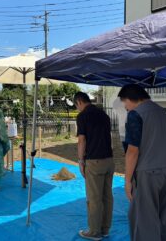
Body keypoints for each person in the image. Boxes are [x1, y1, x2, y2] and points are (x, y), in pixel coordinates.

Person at [118, 84, 166, 241]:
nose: (125, 107)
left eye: (124, 102)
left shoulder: (136, 114)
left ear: (131, 98)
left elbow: (132, 151)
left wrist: (127, 180)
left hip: (147, 174)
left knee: (144, 221)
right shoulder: (163, 113)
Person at [74, 92, 115, 241]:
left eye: (76, 105)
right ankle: (105, 229)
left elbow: (81, 141)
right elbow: (109, 137)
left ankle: (94, 232)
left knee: (94, 198)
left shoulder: (83, 116)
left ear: (79, 102)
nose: (77, 108)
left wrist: (80, 161)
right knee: (107, 196)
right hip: (109, 160)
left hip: (94, 161)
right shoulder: (104, 115)